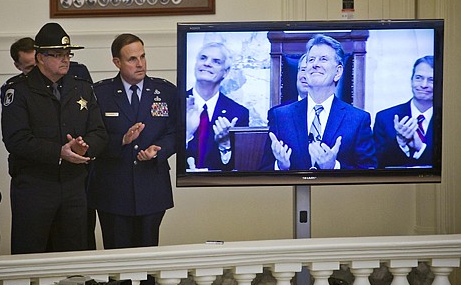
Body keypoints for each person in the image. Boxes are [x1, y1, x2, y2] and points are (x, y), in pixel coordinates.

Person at [0, 22, 108, 285]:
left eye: (68, 53)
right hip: (35, 187)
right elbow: (16, 140)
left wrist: (84, 149)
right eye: (58, 54)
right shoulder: (17, 91)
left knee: (73, 261)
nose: (65, 59)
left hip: (74, 187)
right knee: (31, 262)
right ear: (39, 57)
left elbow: (100, 132)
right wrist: (58, 152)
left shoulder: (82, 87)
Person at [88, 33, 178, 285]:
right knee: (117, 261)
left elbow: (177, 132)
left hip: (151, 188)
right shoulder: (100, 93)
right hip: (113, 190)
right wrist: (122, 141)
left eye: (142, 56)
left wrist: (159, 150)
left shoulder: (164, 91)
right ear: (116, 62)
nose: (140, 64)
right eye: (132, 59)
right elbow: (93, 139)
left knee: (148, 260)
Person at [261, 34, 376, 170]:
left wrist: (334, 167)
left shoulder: (358, 119)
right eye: (311, 60)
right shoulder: (281, 116)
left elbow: (369, 172)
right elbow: (263, 171)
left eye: (323, 59)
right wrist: (280, 166)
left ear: (338, 72)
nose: (315, 65)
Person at [185, 42, 249, 171]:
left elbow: (240, 167)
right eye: (203, 58)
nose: (207, 63)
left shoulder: (238, 113)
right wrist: (186, 134)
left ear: (225, 72)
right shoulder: (176, 103)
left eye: (216, 61)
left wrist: (225, 144)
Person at [373, 55, 434, 168]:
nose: (423, 85)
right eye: (418, 78)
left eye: (431, 80)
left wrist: (421, 148)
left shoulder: (450, 120)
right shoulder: (385, 118)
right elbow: (377, 163)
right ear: (411, 80)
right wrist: (400, 143)